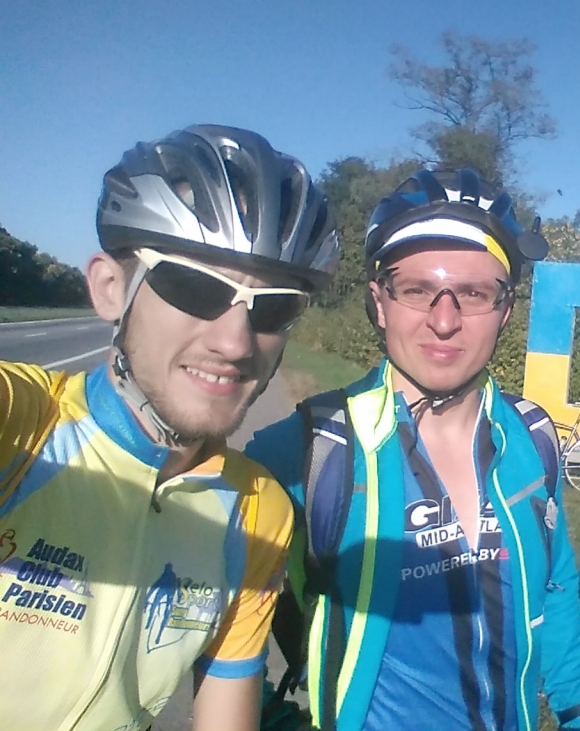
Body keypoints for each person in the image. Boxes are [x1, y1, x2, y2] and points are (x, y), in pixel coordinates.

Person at [0, 124, 340, 731]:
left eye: (275, 305)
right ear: (111, 288)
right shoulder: (23, 427)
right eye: (195, 287)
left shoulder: (258, 513)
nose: (235, 343)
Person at [247, 168, 580, 731]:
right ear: (379, 303)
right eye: (416, 290)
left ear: (506, 309)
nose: (443, 321)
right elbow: (206, 632)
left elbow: (556, 587)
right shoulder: (306, 451)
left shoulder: (533, 436)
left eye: (474, 294)